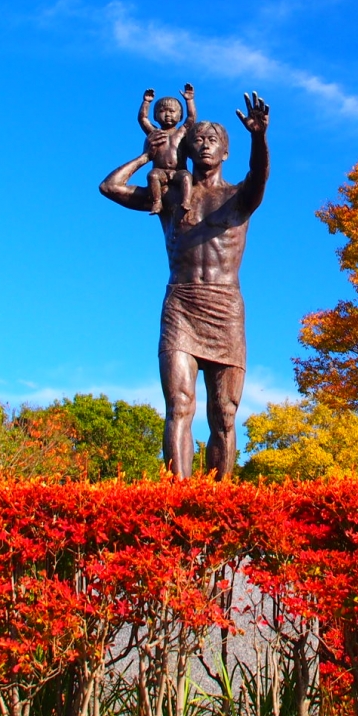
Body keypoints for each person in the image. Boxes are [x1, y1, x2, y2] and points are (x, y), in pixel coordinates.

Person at [100, 90, 270, 478]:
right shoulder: (173, 199)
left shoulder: (238, 198)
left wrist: (259, 138)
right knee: (179, 405)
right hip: (182, 304)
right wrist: (147, 154)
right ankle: (177, 501)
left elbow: (260, 176)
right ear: (188, 148)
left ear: (226, 152)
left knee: (224, 415)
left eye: (214, 141)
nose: (205, 145)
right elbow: (110, 187)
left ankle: (218, 502)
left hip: (225, 308)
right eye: (199, 140)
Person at [136, 84, 198, 217]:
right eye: (162, 111)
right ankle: (157, 201)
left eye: (172, 111)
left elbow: (191, 118)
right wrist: (146, 102)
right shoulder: (155, 133)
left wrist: (189, 100)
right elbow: (142, 119)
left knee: (187, 177)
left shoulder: (181, 132)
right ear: (156, 116)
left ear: (180, 115)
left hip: (178, 171)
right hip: (161, 171)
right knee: (152, 175)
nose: (167, 114)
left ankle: (186, 201)